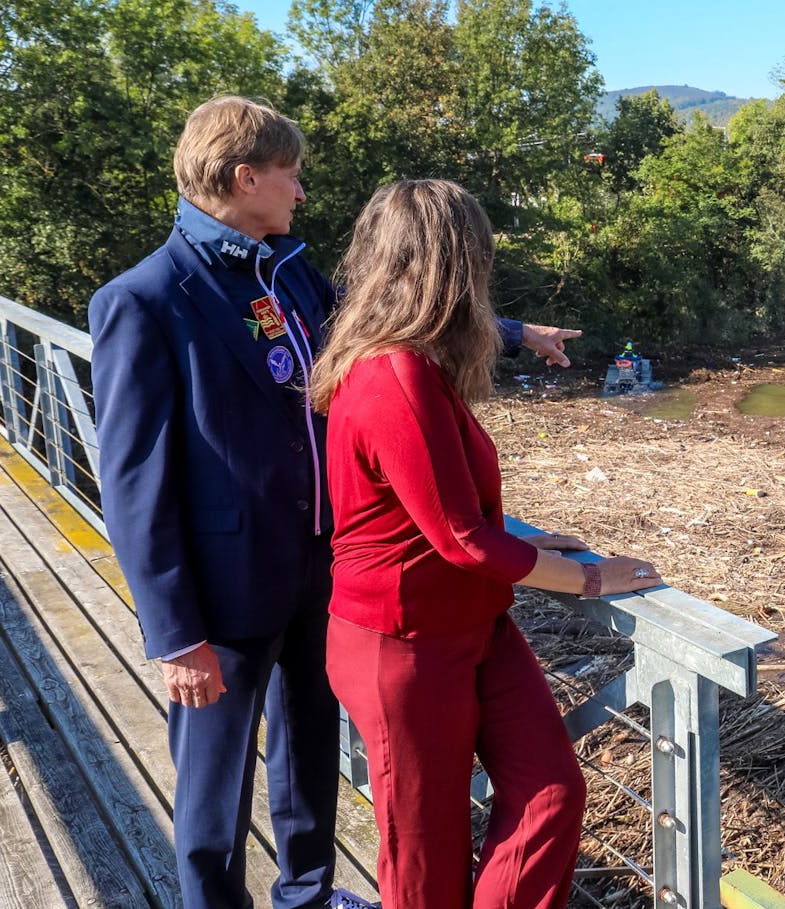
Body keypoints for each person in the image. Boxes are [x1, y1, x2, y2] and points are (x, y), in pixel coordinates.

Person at [88, 96, 579, 909]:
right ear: (245, 177)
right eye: (290, 174)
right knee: (213, 787)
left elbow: (401, 308)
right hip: (223, 592)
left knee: (308, 760)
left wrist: (516, 329)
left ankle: (306, 897)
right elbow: (134, 483)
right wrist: (174, 634)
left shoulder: (288, 274)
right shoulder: (144, 299)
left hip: (324, 576)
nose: (301, 192)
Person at [310, 179, 660, 908]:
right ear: (450, 265)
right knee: (425, 858)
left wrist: (522, 541)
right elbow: (461, 538)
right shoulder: (392, 373)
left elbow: (442, 511)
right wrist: (592, 579)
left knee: (551, 794)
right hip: (401, 646)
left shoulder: (416, 359)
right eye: (478, 257)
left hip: (472, 624)